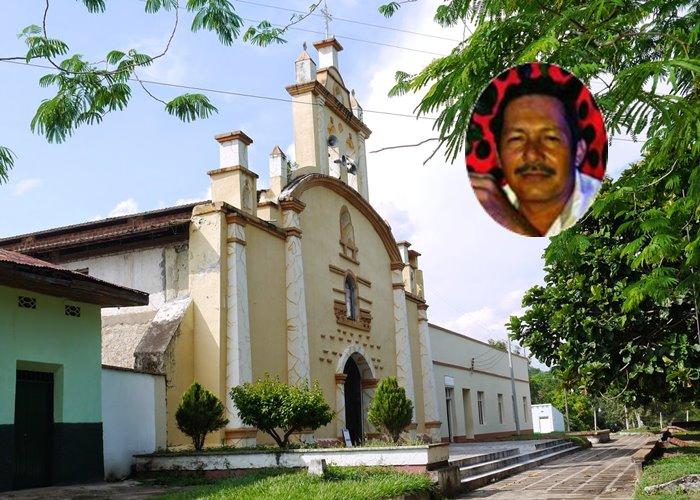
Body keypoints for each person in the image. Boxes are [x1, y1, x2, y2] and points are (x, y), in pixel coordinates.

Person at [469, 76, 603, 237]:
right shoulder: (479, 207)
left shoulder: (602, 204)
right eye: (517, 139)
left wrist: (512, 222)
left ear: (579, 152)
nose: (532, 155)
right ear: (498, 156)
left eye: (550, 138)